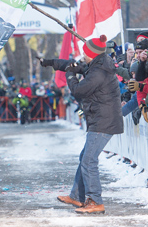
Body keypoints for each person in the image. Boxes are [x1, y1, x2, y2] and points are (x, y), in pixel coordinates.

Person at [57, 35, 123, 214]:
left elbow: (79, 91)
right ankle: (77, 197)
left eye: (84, 53)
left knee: (88, 160)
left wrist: (70, 75)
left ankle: (95, 200)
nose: (82, 56)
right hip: (101, 119)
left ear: (91, 54)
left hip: (104, 121)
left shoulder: (98, 72)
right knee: (85, 157)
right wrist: (53, 63)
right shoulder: (99, 65)